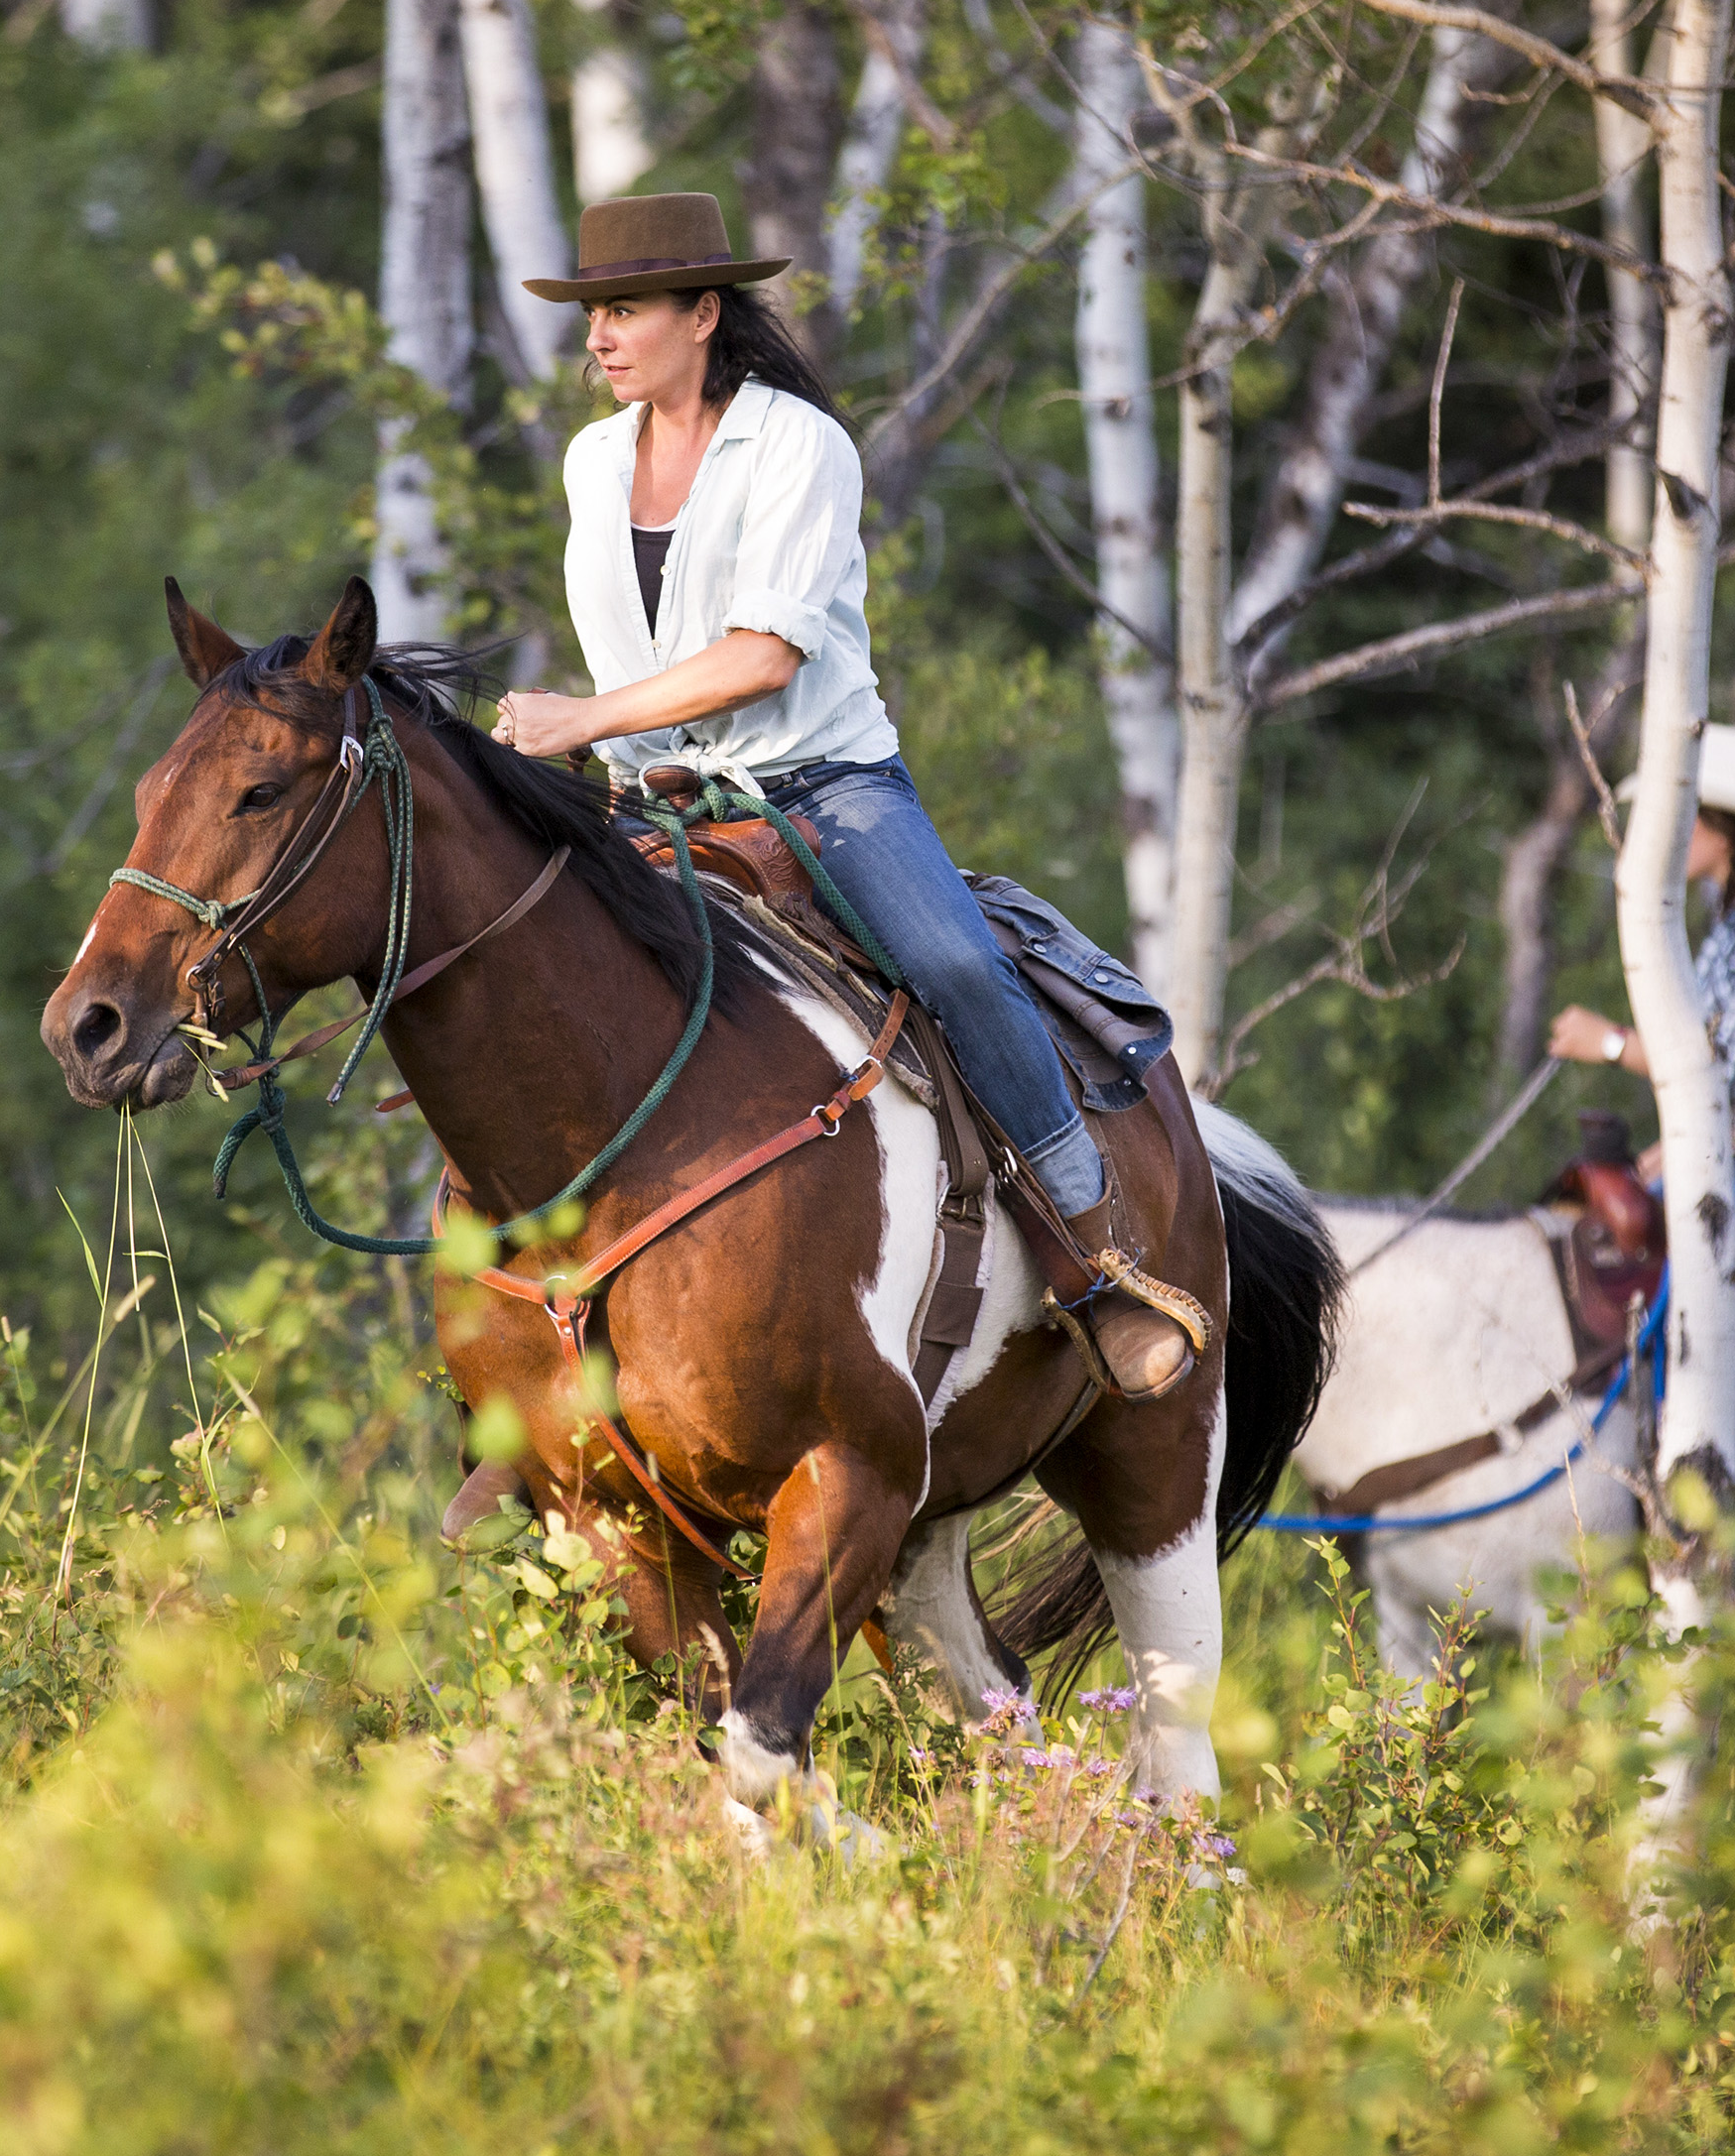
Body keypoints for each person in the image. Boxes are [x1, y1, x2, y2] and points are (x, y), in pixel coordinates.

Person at [485, 192, 1206, 1398]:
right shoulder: (590, 460)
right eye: (593, 313)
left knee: (963, 968)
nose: (600, 336)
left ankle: (1096, 1253)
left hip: (821, 788)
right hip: (649, 803)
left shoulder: (801, 446)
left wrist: (582, 716)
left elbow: (766, 654)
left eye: (624, 310)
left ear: (703, 315)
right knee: (507, 976)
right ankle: (510, 1321)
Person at [1541, 727, 1735, 1470]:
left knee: (1704, 1321)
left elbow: (1731, 1069)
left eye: (1687, 819)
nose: (1672, 835)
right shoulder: (1729, 928)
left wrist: (1611, 1043)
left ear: (1729, 830)